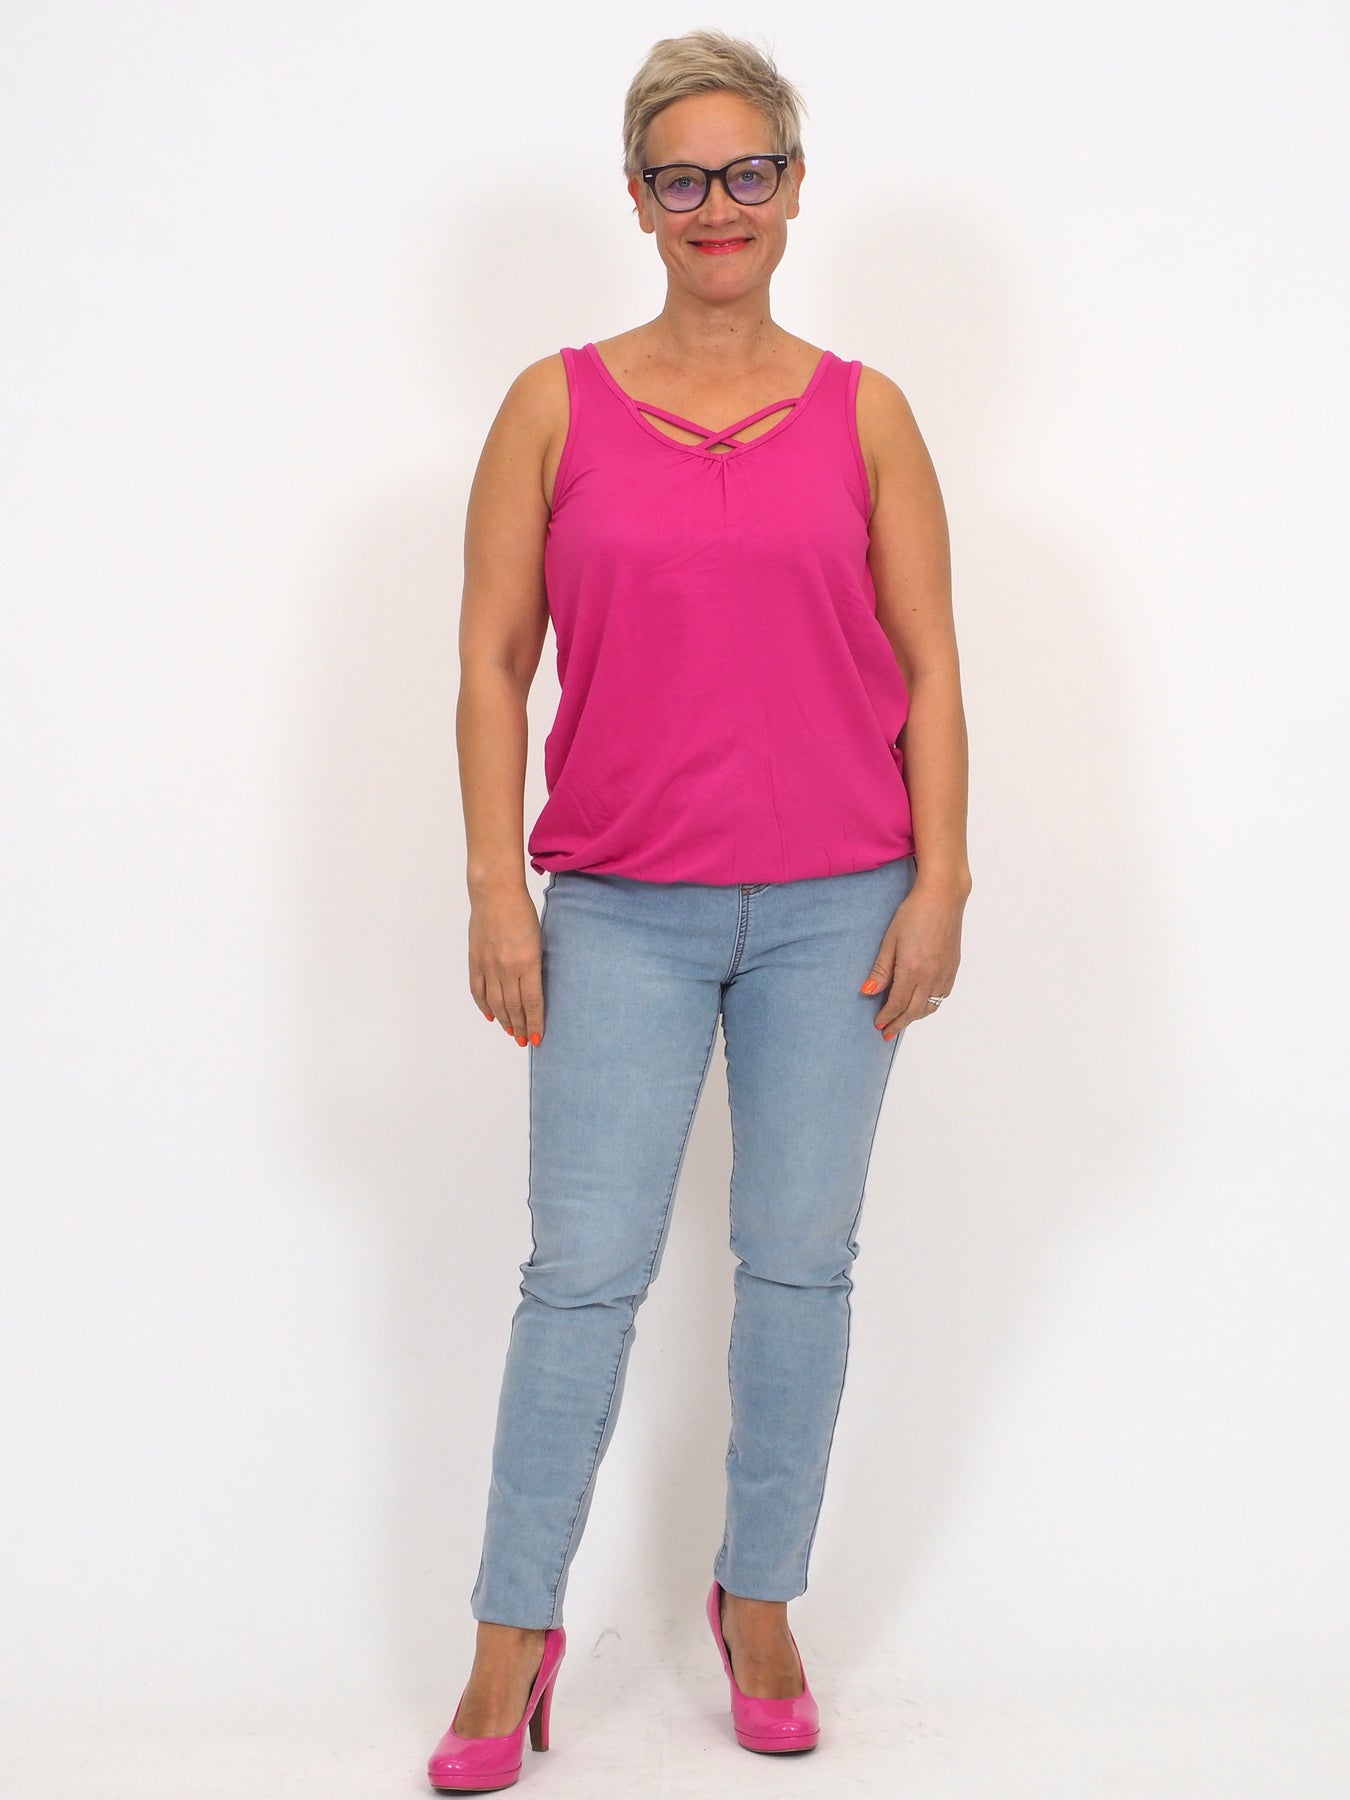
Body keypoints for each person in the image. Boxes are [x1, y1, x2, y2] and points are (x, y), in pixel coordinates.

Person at [427, 26, 972, 1792]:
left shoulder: (866, 414)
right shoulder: (553, 405)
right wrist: (495, 887)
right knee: (578, 1274)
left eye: (748, 172)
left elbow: (929, 663)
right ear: (639, 200)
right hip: (617, 911)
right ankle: (512, 1633)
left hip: (840, 905)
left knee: (798, 1265)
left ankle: (760, 1600)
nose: (716, 204)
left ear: (794, 189)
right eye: (682, 177)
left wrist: (942, 877)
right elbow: (490, 663)